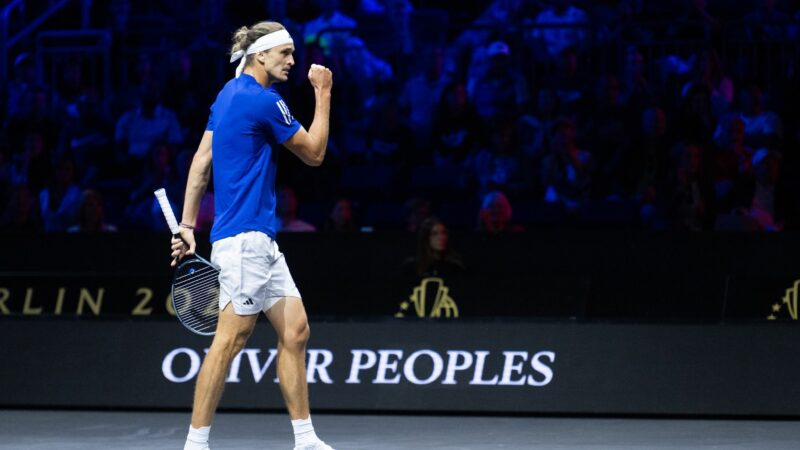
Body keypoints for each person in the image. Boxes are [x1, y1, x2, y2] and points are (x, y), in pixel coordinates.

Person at [169, 21, 334, 450]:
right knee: (229, 342)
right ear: (260, 56)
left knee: (295, 331)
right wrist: (323, 92)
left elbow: (201, 160)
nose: (294, 62)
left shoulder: (226, 95)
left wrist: (188, 226)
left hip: (257, 241)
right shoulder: (264, 101)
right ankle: (195, 443)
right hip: (245, 242)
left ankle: (306, 440)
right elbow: (314, 153)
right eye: (286, 54)